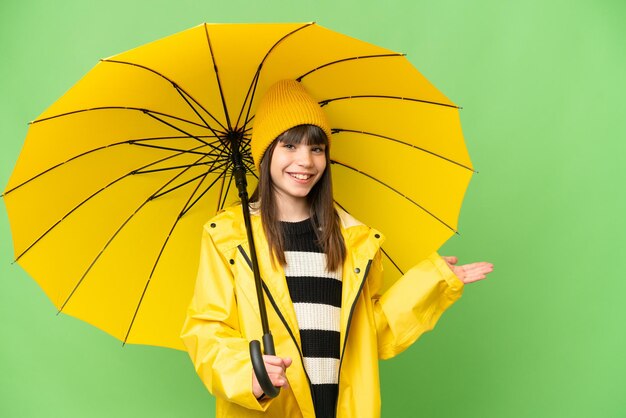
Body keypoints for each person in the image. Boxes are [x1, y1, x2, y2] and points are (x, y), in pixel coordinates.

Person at [181, 80, 493, 418]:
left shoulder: (352, 240)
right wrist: (248, 374)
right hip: (272, 408)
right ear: (266, 154)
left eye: (316, 148)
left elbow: (369, 333)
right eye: (289, 146)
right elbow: (207, 327)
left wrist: (429, 283)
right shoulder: (230, 237)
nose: (305, 161)